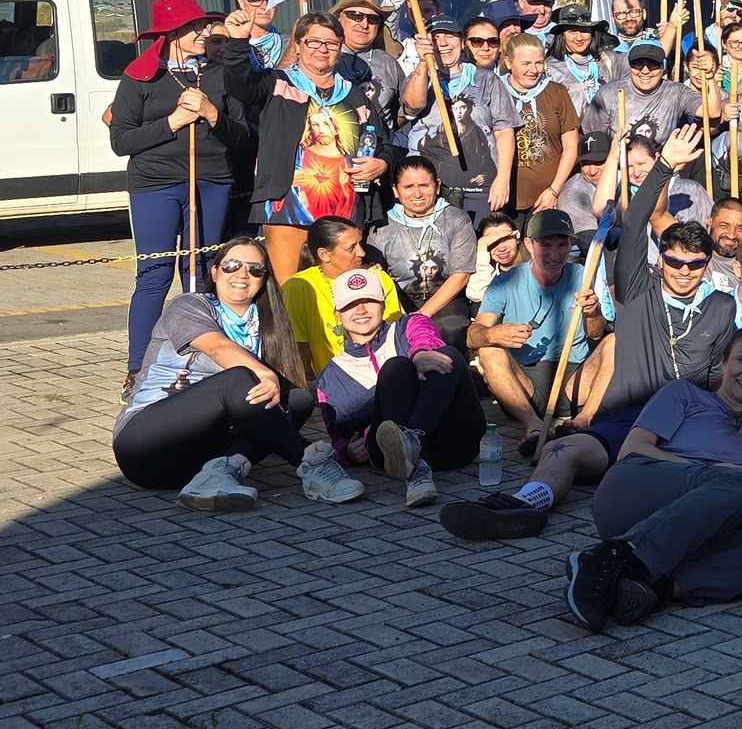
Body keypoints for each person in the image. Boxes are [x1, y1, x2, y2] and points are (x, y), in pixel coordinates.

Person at [454, 127, 737, 535]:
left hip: (688, 420)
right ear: (662, 262)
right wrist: (663, 167)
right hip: (631, 417)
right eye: (675, 262)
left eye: (695, 265)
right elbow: (635, 219)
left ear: (707, 264)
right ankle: (521, 506)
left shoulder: (721, 307)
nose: (684, 272)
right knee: (561, 449)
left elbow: (714, 380)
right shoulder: (639, 290)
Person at [561, 326, 742, 632]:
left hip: (691, 531)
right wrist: (714, 473)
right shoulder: (684, 394)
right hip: (636, 490)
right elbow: (631, 450)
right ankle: (612, 557)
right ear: (724, 361)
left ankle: (653, 588)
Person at [113, 237, 363, 510]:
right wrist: (263, 373)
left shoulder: (267, 325)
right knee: (239, 378)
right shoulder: (190, 305)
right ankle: (309, 459)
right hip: (143, 445)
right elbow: (217, 347)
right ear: (215, 272)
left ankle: (218, 474)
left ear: (264, 279)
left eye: (255, 269)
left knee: (298, 400)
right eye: (232, 265)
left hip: (191, 463)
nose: (242, 274)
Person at [110, 0, 246, 377]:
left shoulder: (219, 74)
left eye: (205, 25)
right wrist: (173, 121)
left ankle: (204, 360)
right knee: (155, 274)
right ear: (172, 33)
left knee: (203, 270)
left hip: (212, 180)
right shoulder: (141, 77)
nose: (205, 32)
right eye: (195, 27)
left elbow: (241, 138)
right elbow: (121, 141)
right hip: (154, 183)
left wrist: (211, 113)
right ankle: (137, 370)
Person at [208, 12, 390, 282]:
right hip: (286, 208)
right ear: (298, 44)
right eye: (313, 41)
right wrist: (238, 42)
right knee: (291, 291)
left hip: (343, 213)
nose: (322, 49)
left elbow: (385, 142)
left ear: (340, 49)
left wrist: (382, 163)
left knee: (339, 293)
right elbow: (239, 85)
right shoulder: (277, 83)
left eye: (331, 43)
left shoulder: (355, 95)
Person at [309, 268, 483, 507]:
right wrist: (347, 453)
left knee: (445, 355)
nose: (361, 310)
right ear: (338, 314)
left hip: (452, 444)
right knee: (395, 369)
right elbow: (337, 438)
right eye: (351, 305)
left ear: (383, 303)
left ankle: (413, 441)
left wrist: (420, 354)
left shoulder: (408, 325)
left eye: (369, 301)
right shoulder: (330, 375)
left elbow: (425, 336)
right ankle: (415, 470)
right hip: (387, 457)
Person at [458, 209, 607, 472]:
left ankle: (583, 420)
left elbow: (596, 334)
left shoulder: (585, 275)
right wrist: (494, 334)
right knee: (489, 351)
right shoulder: (506, 282)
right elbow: (473, 336)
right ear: (528, 244)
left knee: (614, 342)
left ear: (571, 244)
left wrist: (593, 312)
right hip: (524, 385)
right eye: (545, 245)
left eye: (562, 245)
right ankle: (533, 425)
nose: (554, 254)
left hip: (574, 379)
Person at [398, 16, 510, 216]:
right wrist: (424, 64)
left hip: (479, 188)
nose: (442, 43)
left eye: (449, 36)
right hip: (429, 188)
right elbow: (412, 107)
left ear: (462, 41)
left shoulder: (487, 79)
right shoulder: (418, 78)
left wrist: (503, 179)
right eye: (435, 38)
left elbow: (504, 131)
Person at [371, 155, 478, 347]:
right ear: (395, 190)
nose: (417, 194)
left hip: (446, 297)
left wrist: (421, 315)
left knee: (450, 327)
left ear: (437, 186)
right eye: (408, 187)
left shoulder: (456, 220)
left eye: (424, 186)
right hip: (401, 297)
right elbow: (375, 271)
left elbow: (460, 275)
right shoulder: (381, 227)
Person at [281, 217, 403, 376]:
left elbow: (398, 333)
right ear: (324, 254)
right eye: (351, 247)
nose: (362, 252)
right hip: (333, 382)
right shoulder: (300, 287)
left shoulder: (377, 278)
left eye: (360, 244)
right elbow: (299, 350)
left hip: (385, 374)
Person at [490, 31, 581, 221]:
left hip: (549, 196)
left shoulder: (557, 92)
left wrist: (554, 190)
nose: (533, 70)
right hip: (506, 196)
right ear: (508, 62)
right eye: (526, 64)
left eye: (539, 63)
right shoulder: (495, 91)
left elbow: (571, 146)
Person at [586, 38, 702, 153]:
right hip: (617, 167)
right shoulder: (609, 94)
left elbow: (712, 112)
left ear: (663, 67)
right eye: (637, 63)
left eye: (653, 64)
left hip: (661, 167)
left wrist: (709, 76)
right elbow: (592, 139)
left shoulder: (676, 92)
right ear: (629, 65)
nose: (645, 70)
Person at [330, 0, 405, 123]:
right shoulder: (323, 55)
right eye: (356, 15)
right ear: (339, 18)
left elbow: (404, 111)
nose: (364, 24)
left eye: (373, 19)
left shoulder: (388, 63)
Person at [544, 1, 614, 114]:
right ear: (562, 35)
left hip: (607, 129)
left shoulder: (608, 59)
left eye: (584, 31)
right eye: (572, 32)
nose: (579, 38)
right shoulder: (549, 67)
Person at [466, 211, 523, 306]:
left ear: (517, 237)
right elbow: (476, 295)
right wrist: (481, 246)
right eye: (493, 242)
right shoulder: (489, 271)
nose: (502, 248)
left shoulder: (534, 261)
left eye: (506, 239)